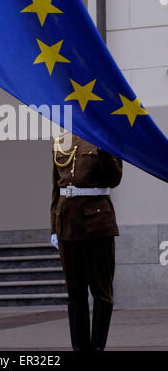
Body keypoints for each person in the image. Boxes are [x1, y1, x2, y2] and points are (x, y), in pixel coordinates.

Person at [50, 132, 122, 352]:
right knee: (74, 292)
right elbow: (56, 188)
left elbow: (115, 179)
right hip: (67, 223)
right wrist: (54, 226)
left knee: (101, 291)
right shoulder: (61, 138)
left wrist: (104, 150)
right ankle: (79, 347)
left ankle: (97, 346)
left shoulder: (105, 136)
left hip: (97, 222)